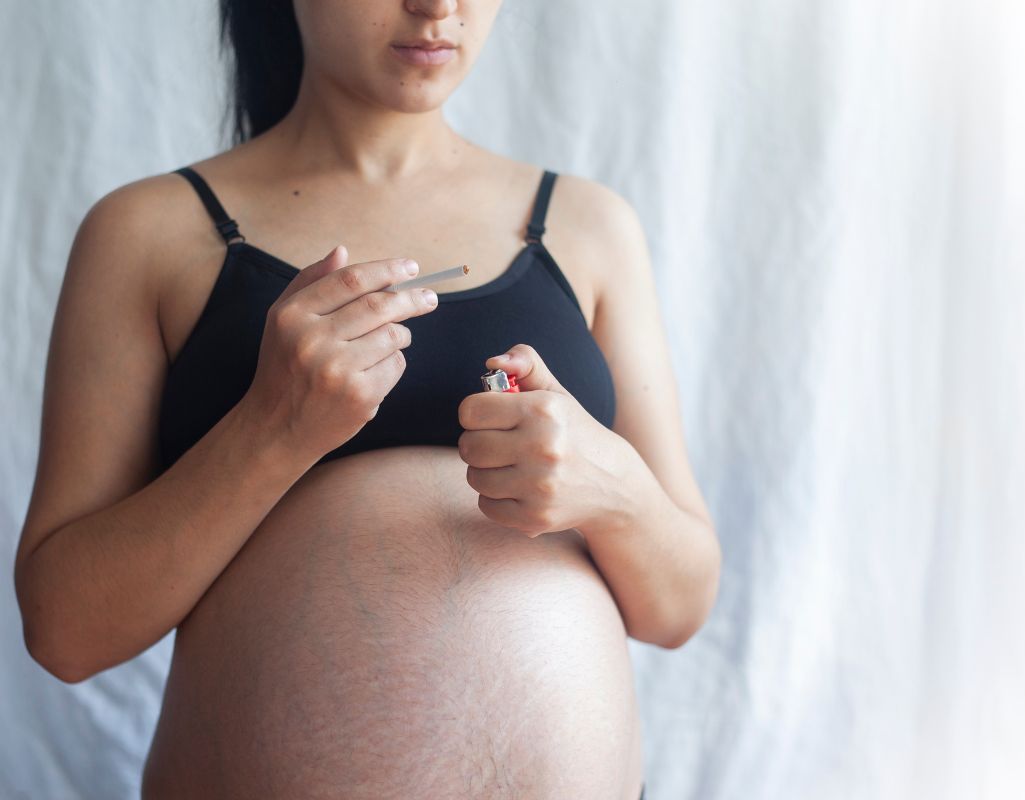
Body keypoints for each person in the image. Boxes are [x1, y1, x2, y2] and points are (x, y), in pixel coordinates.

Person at [14, 1, 720, 797]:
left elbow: (680, 606)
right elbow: (65, 631)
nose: (438, 7)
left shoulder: (587, 228)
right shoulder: (147, 233)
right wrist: (272, 431)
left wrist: (613, 493)